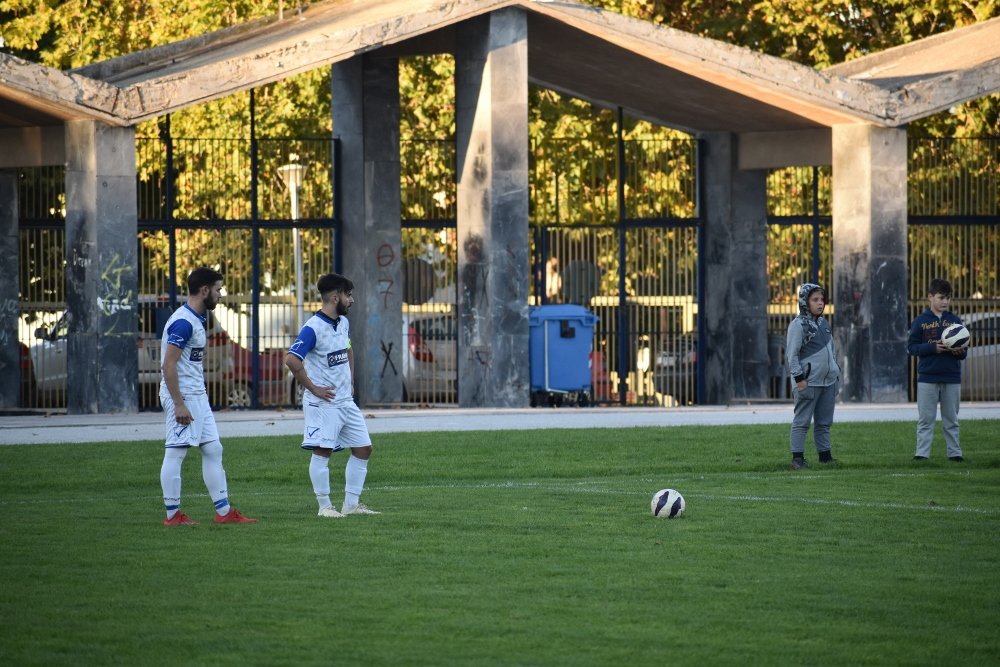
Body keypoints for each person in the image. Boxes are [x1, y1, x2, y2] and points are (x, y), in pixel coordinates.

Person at [159, 267, 257, 526]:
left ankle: (224, 513)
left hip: (197, 396)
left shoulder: (197, 318)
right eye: (218, 289)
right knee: (176, 452)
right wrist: (178, 404)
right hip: (183, 397)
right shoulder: (183, 322)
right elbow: (168, 365)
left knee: (213, 448)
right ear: (205, 291)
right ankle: (173, 516)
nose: (221, 294)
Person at [285, 273, 379, 518]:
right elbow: (292, 360)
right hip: (323, 403)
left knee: (363, 448)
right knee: (323, 451)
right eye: (348, 295)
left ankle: (351, 505)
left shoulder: (343, 323)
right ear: (335, 297)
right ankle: (324, 506)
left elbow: (348, 350)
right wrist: (313, 388)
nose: (352, 300)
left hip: (345, 401)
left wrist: (350, 380)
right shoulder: (312, 328)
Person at [907, 278, 968, 462]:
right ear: (930, 297)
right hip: (927, 377)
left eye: (948, 298)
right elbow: (912, 348)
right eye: (941, 297)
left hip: (951, 376)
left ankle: (955, 453)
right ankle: (922, 454)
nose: (945, 302)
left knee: (951, 420)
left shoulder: (955, 321)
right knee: (926, 419)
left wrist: (958, 351)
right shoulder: (920, 321)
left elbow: (963, 353)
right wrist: (933, 348)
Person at [785, 283, 841, 470]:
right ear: (804, 301)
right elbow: (791, 355)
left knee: (824, 423)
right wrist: (799, 379)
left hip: (828, 382)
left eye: (822, 299)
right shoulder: (798, 325)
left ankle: (825, 457)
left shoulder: (824, 324)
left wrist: (836, 372)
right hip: (808, 382)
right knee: (802, 422)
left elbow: (832, 351)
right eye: (815, 300)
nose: (820, 303)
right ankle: (797, 459)